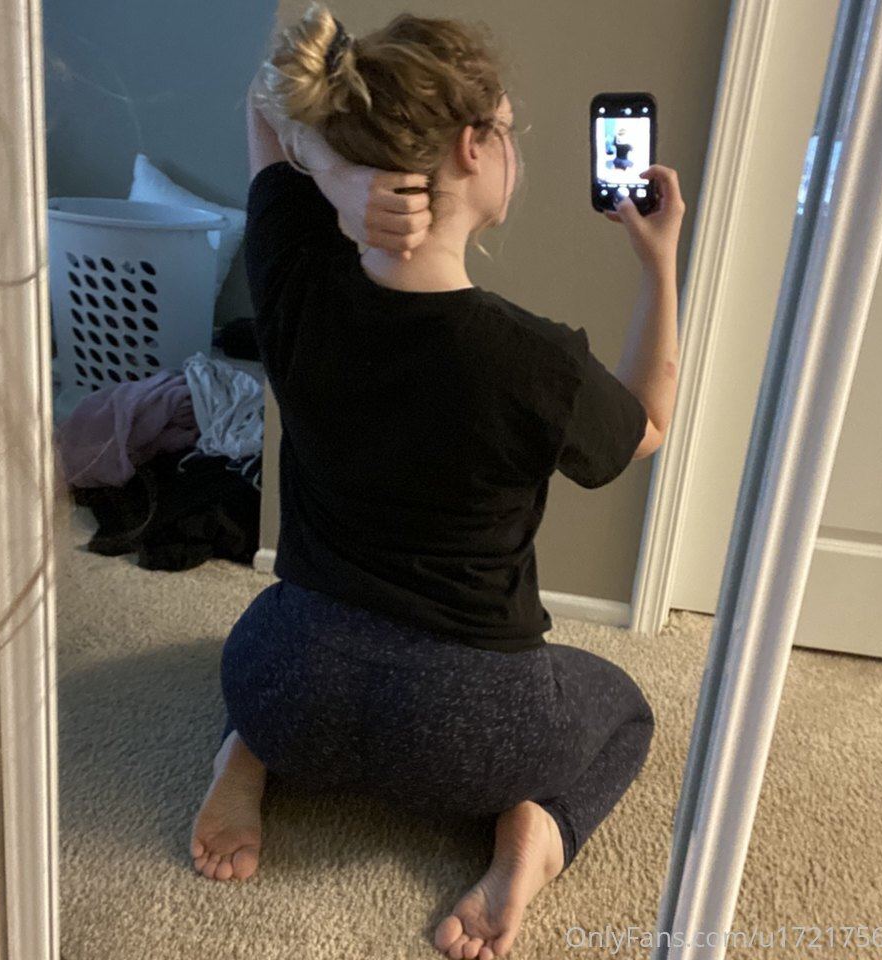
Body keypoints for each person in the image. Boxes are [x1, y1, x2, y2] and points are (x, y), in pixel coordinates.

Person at [190, 4, 685, 958]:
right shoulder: (536, 361)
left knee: (264, 650)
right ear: (472, 147)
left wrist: (340, 180)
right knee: (623, 706)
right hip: (472, 736)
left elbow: (263, 101)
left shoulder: (294, 279)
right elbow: (648, 428)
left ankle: (245, 751)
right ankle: (535, 834)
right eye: (510, 131)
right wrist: (658, 266)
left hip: (292, 684)